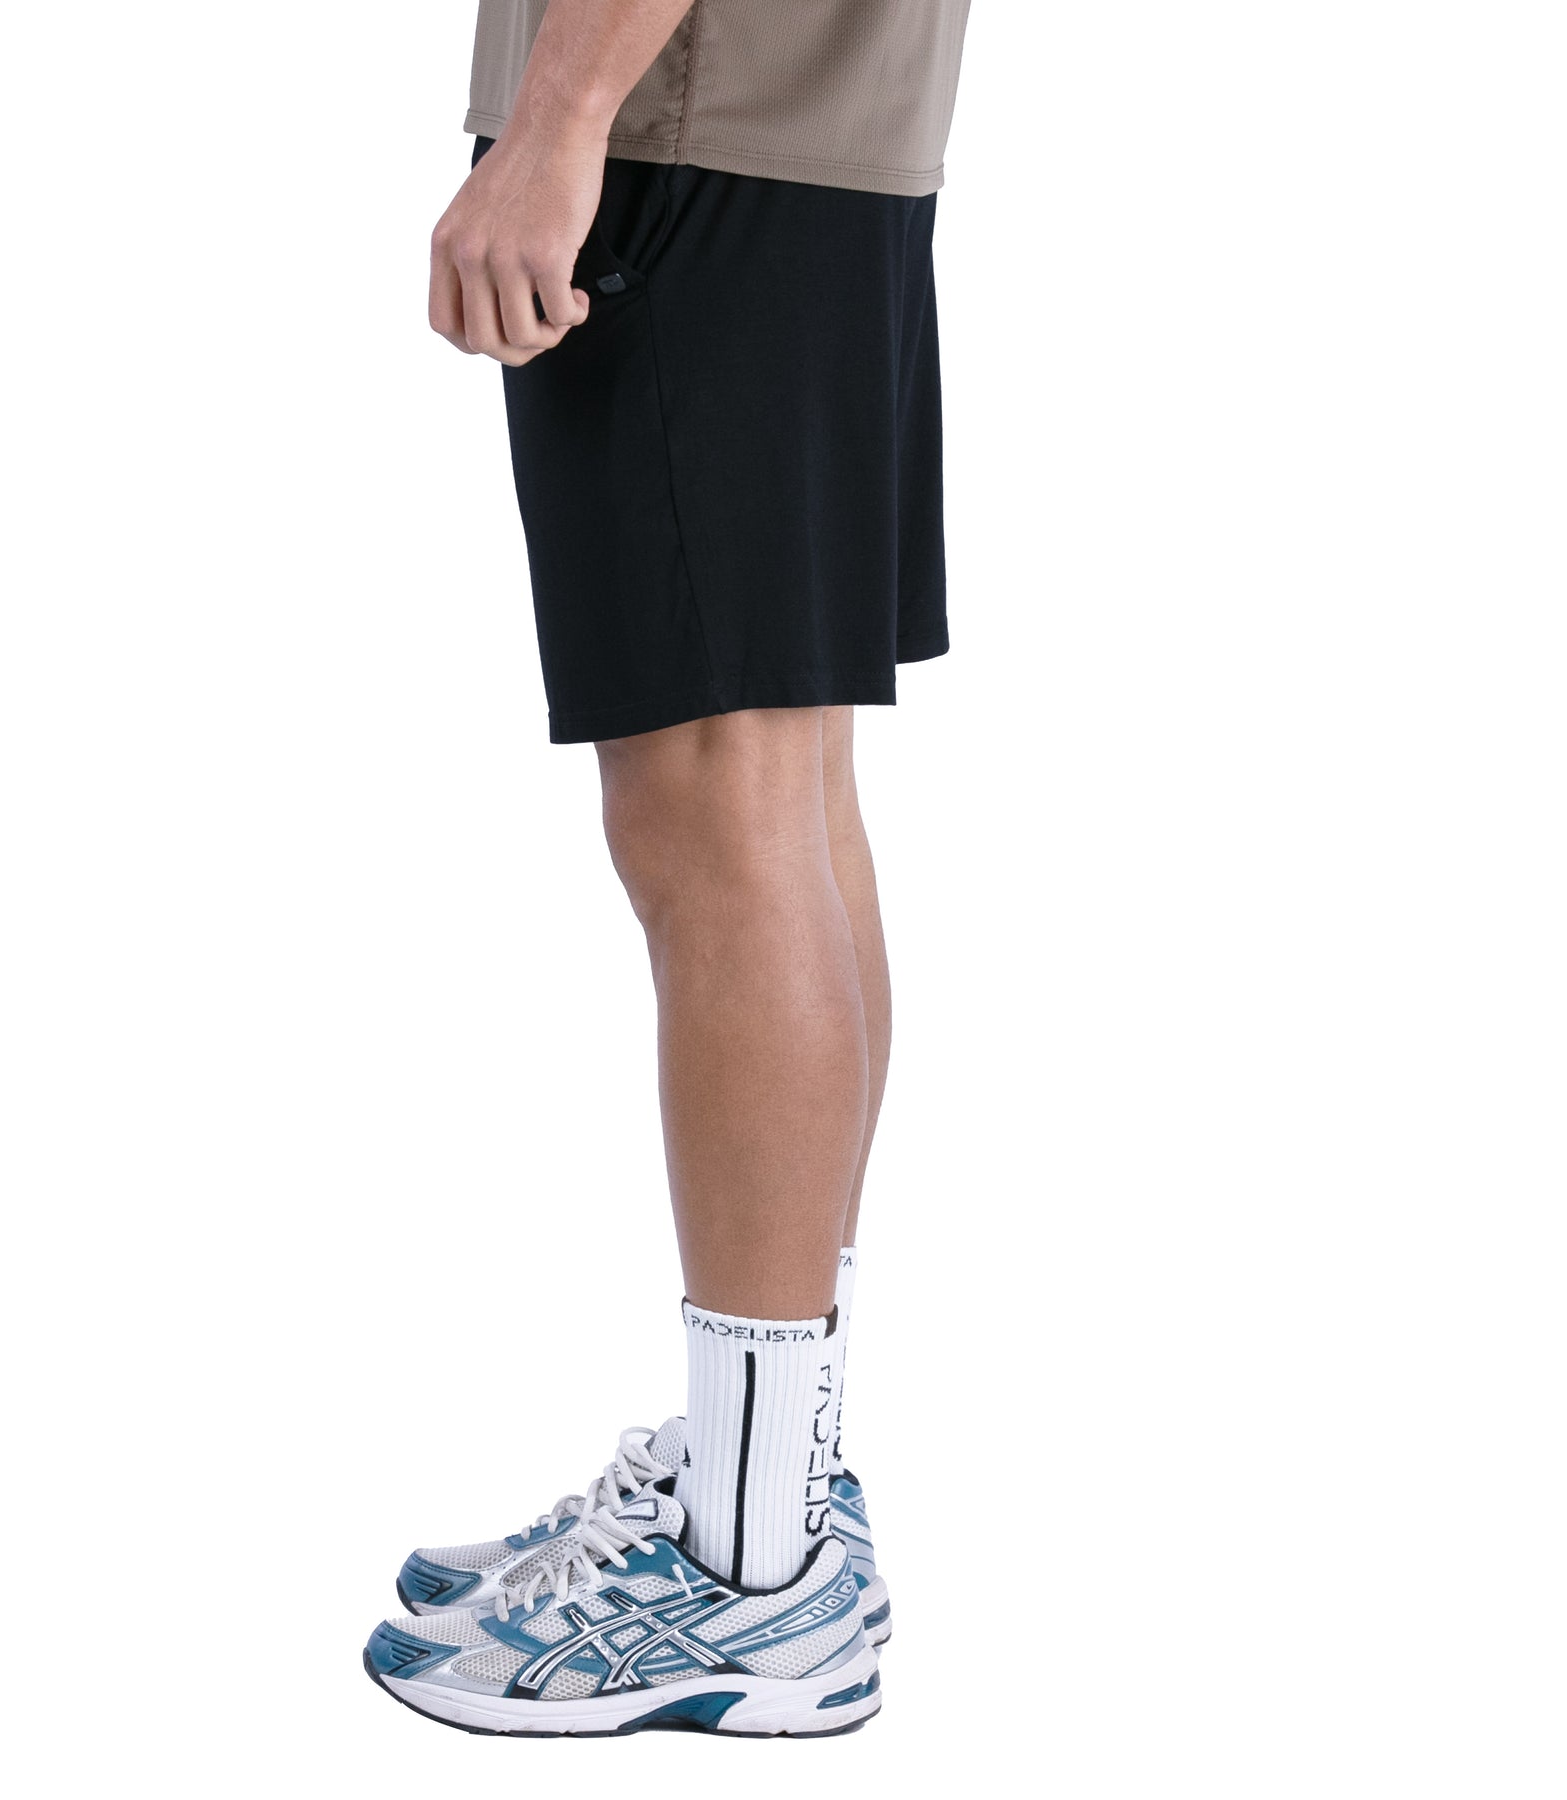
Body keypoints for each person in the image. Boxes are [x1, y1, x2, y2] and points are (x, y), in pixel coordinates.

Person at [364, 1, 973, 1736]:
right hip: (796, 134)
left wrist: (562, 116)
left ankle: (752, 1572)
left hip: (692, 126)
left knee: (717, 810)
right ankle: (763, 1475)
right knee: (787, 789)